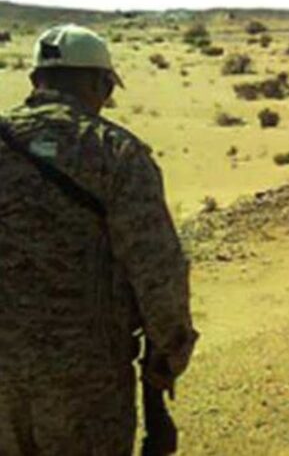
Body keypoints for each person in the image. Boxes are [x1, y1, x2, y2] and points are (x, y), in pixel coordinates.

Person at [0, 24, 198, 455]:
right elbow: (158, 272)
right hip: (86, 386)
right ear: (101, 84)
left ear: (35, 80)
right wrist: (167, 359)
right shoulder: (117, 154)